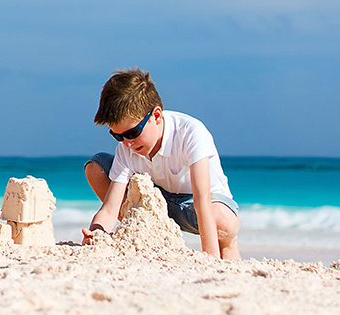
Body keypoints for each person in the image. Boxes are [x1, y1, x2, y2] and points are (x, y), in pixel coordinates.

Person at [81, 68, 241, 260]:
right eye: (117, 136)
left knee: (223, 222)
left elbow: (202, 199)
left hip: (199, 204)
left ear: (156, 116)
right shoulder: (126, 147)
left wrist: (210, 257)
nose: (127, 143)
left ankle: (227, 246)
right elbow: (110, 208)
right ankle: (142, 234)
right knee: (96, 167)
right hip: (158, 203)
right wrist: (96, 234)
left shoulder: (190, 132)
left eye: (132, 133)